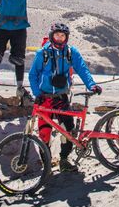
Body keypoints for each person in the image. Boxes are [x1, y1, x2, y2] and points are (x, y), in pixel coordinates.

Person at [27, 23, 102, 172]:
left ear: (66, 37)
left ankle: (63, 160)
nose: (60, 38)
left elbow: (82, 69)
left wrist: (92, 85)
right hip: (45, 98)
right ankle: (46, 163)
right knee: (44, 132)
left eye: (63, 36)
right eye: (57, 35)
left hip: (61, 97)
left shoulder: (70, 52)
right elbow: (32, 75)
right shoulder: (43, 53)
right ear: (51, 35)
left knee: (67, 130)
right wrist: (37, 94)